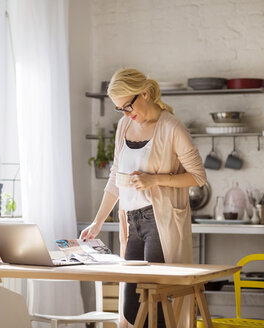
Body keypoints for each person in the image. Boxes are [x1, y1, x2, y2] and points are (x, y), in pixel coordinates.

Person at [79, 68, 207, 327]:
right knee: (130, 304)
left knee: (155, 302)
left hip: (159, 222)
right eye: (120, 109)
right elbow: (116, 176)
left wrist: (155, 179)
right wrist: (98, 222)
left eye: (127, 106)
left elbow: (198, 176)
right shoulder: (125, 125)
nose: (126, 114)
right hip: (132, 221)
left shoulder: (172, 127)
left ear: (145, 94)